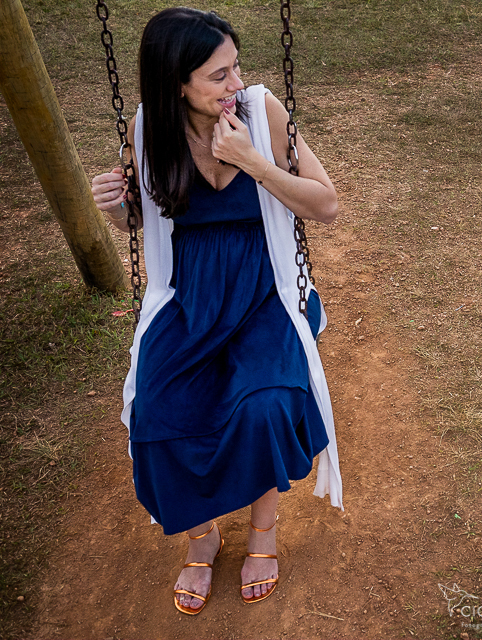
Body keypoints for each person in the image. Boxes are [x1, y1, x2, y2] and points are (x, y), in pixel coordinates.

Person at [90, 7, 342, 615]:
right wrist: (116, 206)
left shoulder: (262, 112)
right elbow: (142, 220)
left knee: (266, 406)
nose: (236, 84)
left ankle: (263, 532)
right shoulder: (149, 128)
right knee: (157, 414)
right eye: (218, 75)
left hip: (264, 288)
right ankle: (201, 536)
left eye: (235, 68)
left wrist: (255, 161)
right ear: (177, 83)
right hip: (191, 296)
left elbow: (326, 205)